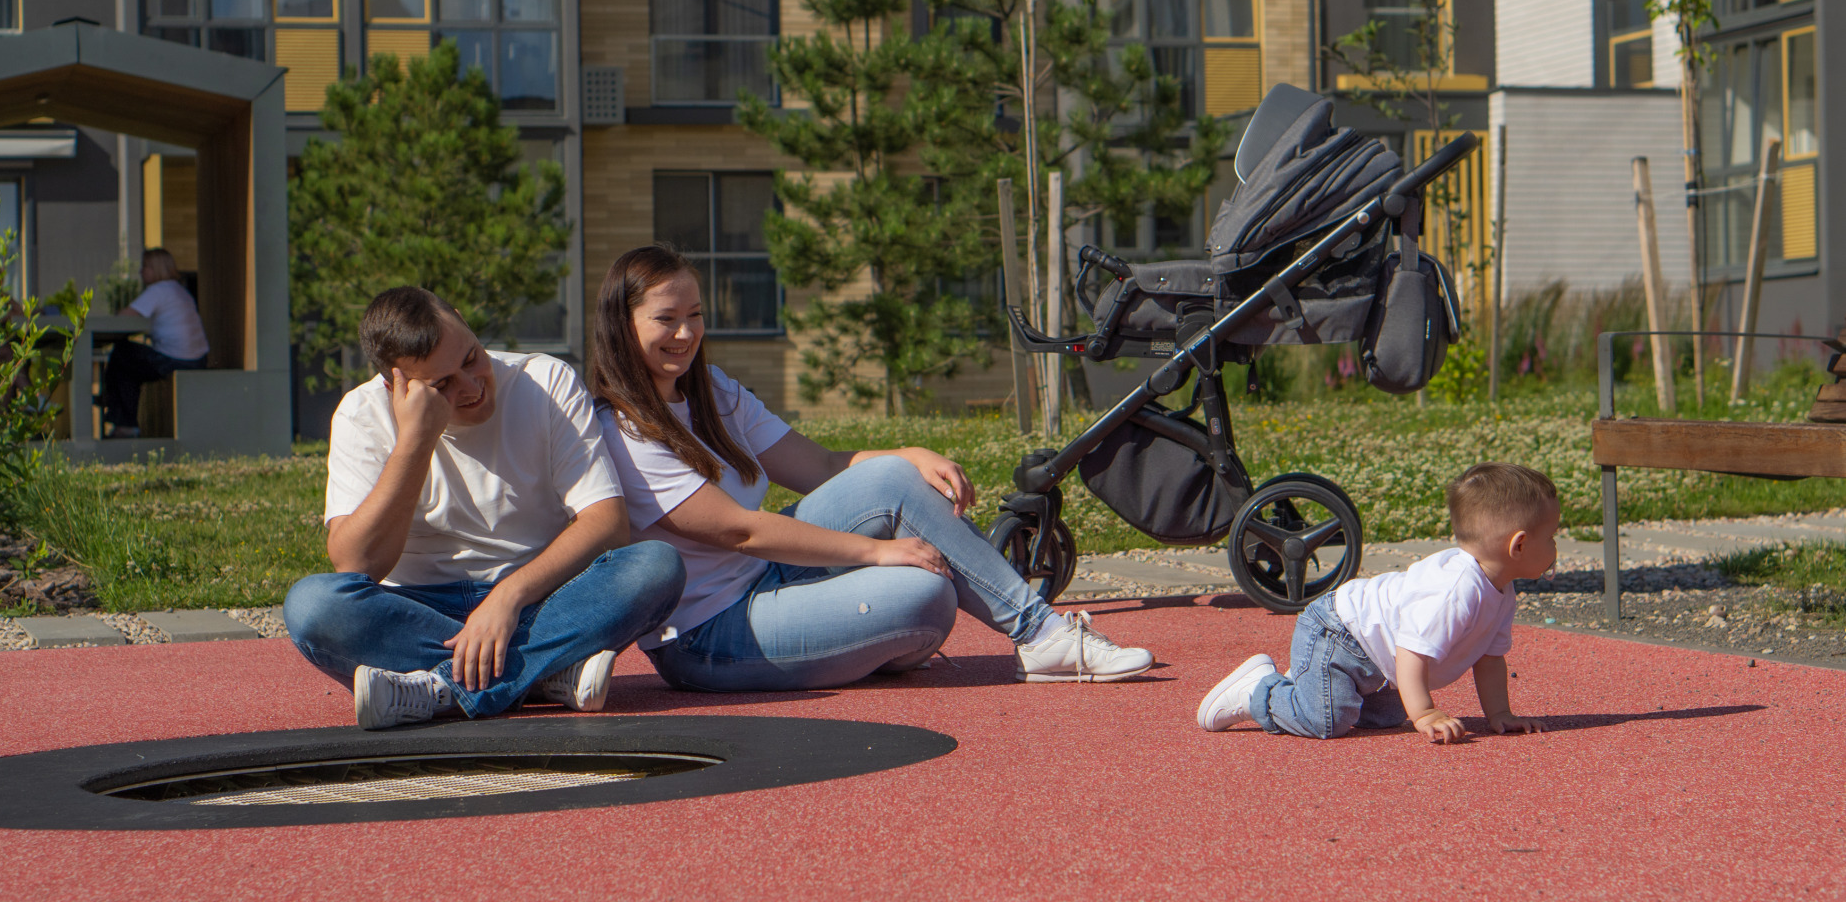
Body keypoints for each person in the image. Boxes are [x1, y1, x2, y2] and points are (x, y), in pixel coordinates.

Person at [589, 244, 1154, 693]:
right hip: (709, 636)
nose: (686, 334)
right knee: (923, 596)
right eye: (666, 319)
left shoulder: (712, 391)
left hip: (769, 577)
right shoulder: (624, 430)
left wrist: (905, 455)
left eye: (695, 315)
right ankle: (1014, 637)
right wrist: (878, 553)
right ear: (623, 325)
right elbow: (743, 530)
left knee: (893, 485)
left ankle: (1037, 632)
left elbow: (821, 466)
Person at [283, 287, 686, 730]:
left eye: (471, 357)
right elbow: (356, 564)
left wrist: (508, 597)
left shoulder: (545, 380)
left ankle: (434, 689)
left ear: (462, 320)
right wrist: (416, 442)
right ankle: (540, 674)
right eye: (442, 385)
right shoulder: (361, 415)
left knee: (655, 566)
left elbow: (607, 524)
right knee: (311, 605)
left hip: (537, 602)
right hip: (413, 611)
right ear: (394, 385)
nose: (472, 386)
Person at [1197, 462, 1556, 743]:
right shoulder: (1456, 590)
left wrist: (1500, 713)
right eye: (1552, 537)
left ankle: (1307, 680)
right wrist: (1427, 714)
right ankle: (1262, 689)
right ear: (1519, 545)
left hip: (1373, 658)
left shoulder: (1501, 589)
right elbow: (1411, 653)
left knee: (1387, 717)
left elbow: (1490, 658)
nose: (1555, 548)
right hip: (1339, 632)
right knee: (1328, 721)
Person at [100, 248, 208, 438]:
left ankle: (124, 424)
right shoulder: (179, 290)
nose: (141, 272)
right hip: (197, 359)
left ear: (157, 269)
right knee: (129, 363)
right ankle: (123, 420)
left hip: (176, 359)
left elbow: (123, 318)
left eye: (146, 267)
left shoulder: (158, 290)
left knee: (122, 353)